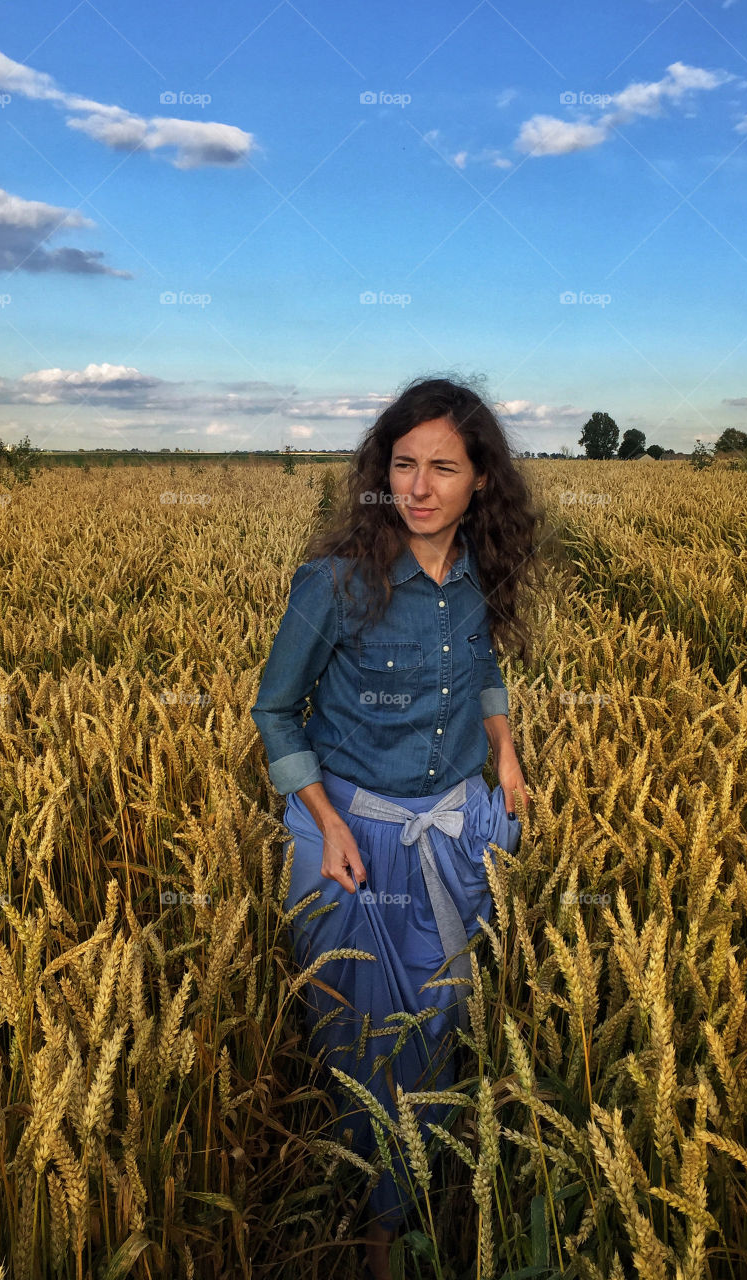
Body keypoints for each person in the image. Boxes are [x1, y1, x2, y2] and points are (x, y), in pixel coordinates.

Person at [250, 376, 544, 1279]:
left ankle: (425, 1180)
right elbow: (275, 712)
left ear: (480, 482)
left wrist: (505, 754)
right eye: (403, 465)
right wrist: (327, 823)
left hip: (457, 831)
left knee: (441, 1011)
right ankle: (381, 1228)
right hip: (357, 838)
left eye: (443, 468)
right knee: (363, 1028)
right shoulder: (333, 583)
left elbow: (486, 669)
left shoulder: (474, 580)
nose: (418, 487)